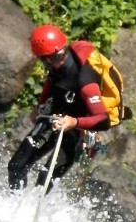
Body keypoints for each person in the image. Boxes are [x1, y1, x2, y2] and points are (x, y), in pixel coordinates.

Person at [8, 24, 110, 191]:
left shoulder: (85, 79)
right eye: (48, 59)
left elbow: (102, 118)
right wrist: (40, 106)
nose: (56, 60)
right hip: (54, 119)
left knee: (45, 179)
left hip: (76, 132)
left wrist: (73, 122)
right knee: (16, 167)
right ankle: (15, 203)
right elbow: (52, 82)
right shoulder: (56, 66)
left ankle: (40, 209)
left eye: (59, 56)